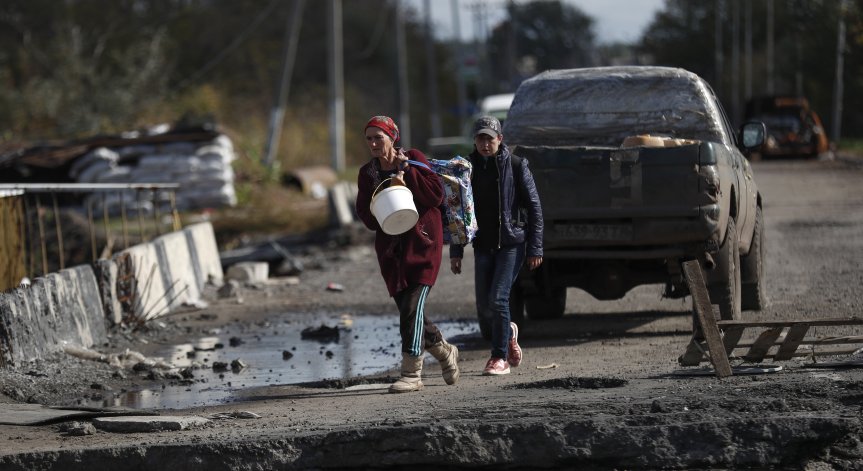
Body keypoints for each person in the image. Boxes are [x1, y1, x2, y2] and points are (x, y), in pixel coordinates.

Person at [355, 115, 460, 393]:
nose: (374, 143)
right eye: (369, 138)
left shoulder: (413, 158)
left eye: (379, 137)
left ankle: (412, 373)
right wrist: (387, 200)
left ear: (393, 138)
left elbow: (435, 196)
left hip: (423, 243)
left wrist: (408, 173)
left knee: (412, 307)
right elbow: (366, 214)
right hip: (392, 251)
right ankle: (444, 350)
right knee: (409, 311)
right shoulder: (368, 173)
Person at [450, 116, 543, 376]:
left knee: (498, 298)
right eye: (480, 138)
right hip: (483, 245)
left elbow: (534, 208)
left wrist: (535, 248)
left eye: (489, 138)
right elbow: (458, 212)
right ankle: (509, 333)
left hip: (511, 244)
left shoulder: (515, 166)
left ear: (500, 139)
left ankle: (498, 358)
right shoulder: (466, 170)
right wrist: (456, 252)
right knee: (486, 305)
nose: (484, 143)